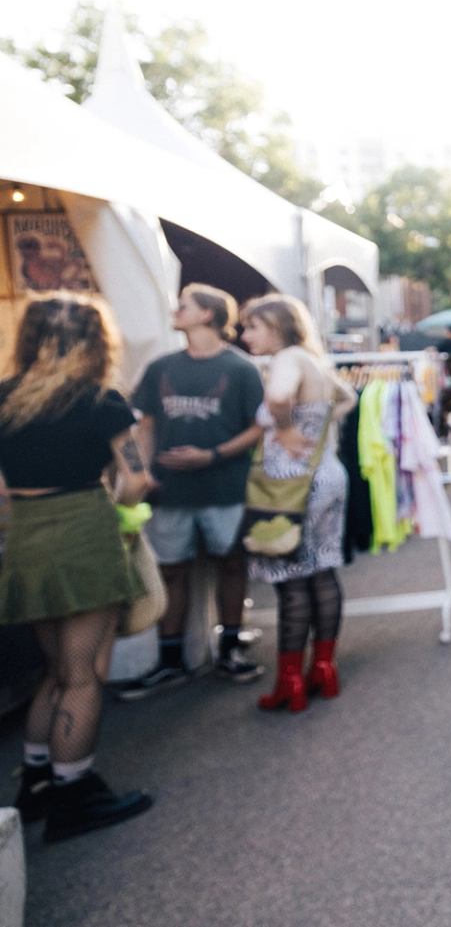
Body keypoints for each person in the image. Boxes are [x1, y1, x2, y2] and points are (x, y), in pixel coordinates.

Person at [0, 293, 156, 840]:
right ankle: (74, 796)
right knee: (84, 674)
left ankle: (37, 782)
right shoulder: (100, 401)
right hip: (85, 532)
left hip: (25, 535)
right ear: (95, 341)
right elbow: (134, 479)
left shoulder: (3, 398)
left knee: (54, 670)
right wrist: (116, 516)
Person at [118, 284, 267, 697]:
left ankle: (230, 649)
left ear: (208, 315)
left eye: (185, 305)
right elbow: (144, 425)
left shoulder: (240, 369)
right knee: (171, 572)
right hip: (171, 491)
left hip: (226, 488)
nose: (175, 310)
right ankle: (170, 661)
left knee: (231, 565)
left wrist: (212, 455)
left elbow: (259, 426)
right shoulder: (160, 367)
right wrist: (144, 474)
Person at [238, 296, 356, 713]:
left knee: (290, 580)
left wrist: (286, 430)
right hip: (326, 474)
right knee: (322, 571)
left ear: (276, 326)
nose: (245, 335)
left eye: (252, 326)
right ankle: (323, 667)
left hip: (291, 484)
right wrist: (316, 425)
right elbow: (348, 398)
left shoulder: (287, 359)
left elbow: (279, 397)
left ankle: (290, 679)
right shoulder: (313, 359)